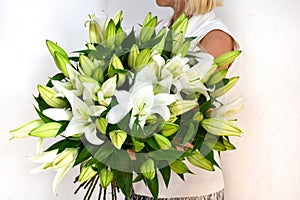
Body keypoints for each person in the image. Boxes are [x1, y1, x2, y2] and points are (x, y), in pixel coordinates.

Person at [131, 0, 240, 200]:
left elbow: (188, 116)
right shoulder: (160, 29)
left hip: (188, 191)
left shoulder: (214, 36)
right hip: (143, 186)